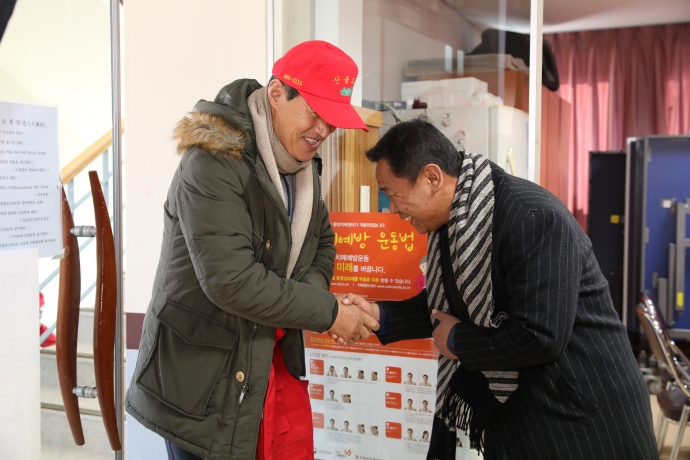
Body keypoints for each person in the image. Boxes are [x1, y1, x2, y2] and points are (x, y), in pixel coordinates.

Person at [342, 118, 657, 459]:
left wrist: (458, 341)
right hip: (520, 412)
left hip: (581, 415)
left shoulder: (532, 216)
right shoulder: (455, 221)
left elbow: (540, 336)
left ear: (432, 177)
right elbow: (443, 306)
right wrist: (377, 314)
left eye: (393, 194)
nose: (393, 209)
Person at [125, 40, 379, 460]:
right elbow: (232, 280)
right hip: (200, 382)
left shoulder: (302, 168)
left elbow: (322, 244)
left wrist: (307, 301)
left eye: (332, 121)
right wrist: (329, 312)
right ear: (277, 94)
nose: (323, 131)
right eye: (315, 113)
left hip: (262, 365)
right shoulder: (212, 161)